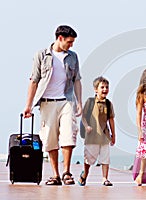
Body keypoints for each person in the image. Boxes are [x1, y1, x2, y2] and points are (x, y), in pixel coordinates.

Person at [23, 25, 82, 185]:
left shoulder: (73, 57)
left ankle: (67, 172)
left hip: (67, 101)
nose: (71, 45)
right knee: (50, 139)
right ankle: (55, 175)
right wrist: (28, 105)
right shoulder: (42, 55)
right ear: (60, 38)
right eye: (69, 42)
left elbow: (77, 80)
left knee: (69, 135)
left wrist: (79, 103)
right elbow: (34, 80)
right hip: (47, 102)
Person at [78, 76, 116, 186]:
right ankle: (85, 174)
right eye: (102, 87)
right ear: (96, 89)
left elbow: (111, 120)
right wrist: (87, 126)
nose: (105, 89)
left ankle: (105, 178)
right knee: (89, 159)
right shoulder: (90, 102)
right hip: (92, 136)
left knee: (105, 158)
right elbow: (84, 117)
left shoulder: (109, 104)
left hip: (104, 136)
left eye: (107, 87)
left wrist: (113, 135)